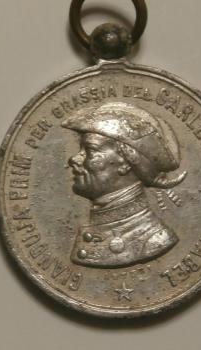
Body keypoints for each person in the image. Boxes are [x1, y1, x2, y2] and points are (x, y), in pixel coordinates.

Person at [62, 102, 186, 268]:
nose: (74, 159)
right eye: (80, 150)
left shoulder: (153, 241)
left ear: (126, 163)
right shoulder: (96, 229)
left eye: (90, 150)